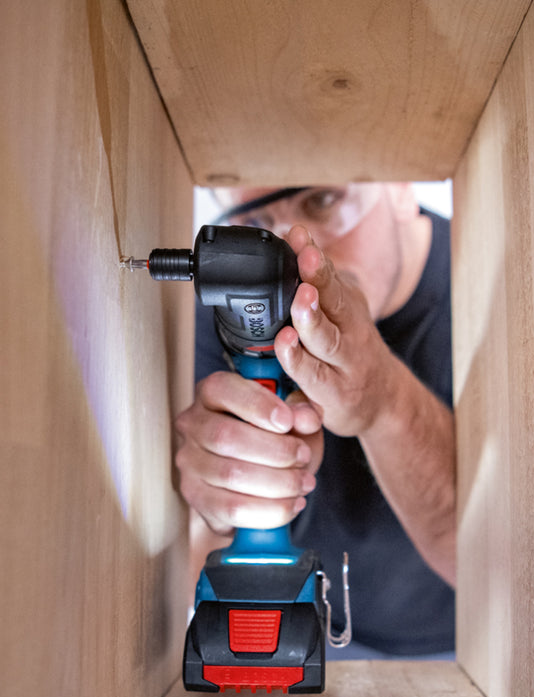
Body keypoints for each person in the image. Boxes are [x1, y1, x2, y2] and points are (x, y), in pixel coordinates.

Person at [174, 183, 456, 658]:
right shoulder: (221, 311)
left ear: (400, 190)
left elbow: (503, 570)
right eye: (257, 224)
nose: (293, 257)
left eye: (322, 202)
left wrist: (384, 400)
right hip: (319, 636)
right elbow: (187, 574)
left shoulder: (495, 284)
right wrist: (220, 510)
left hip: (467, 643)